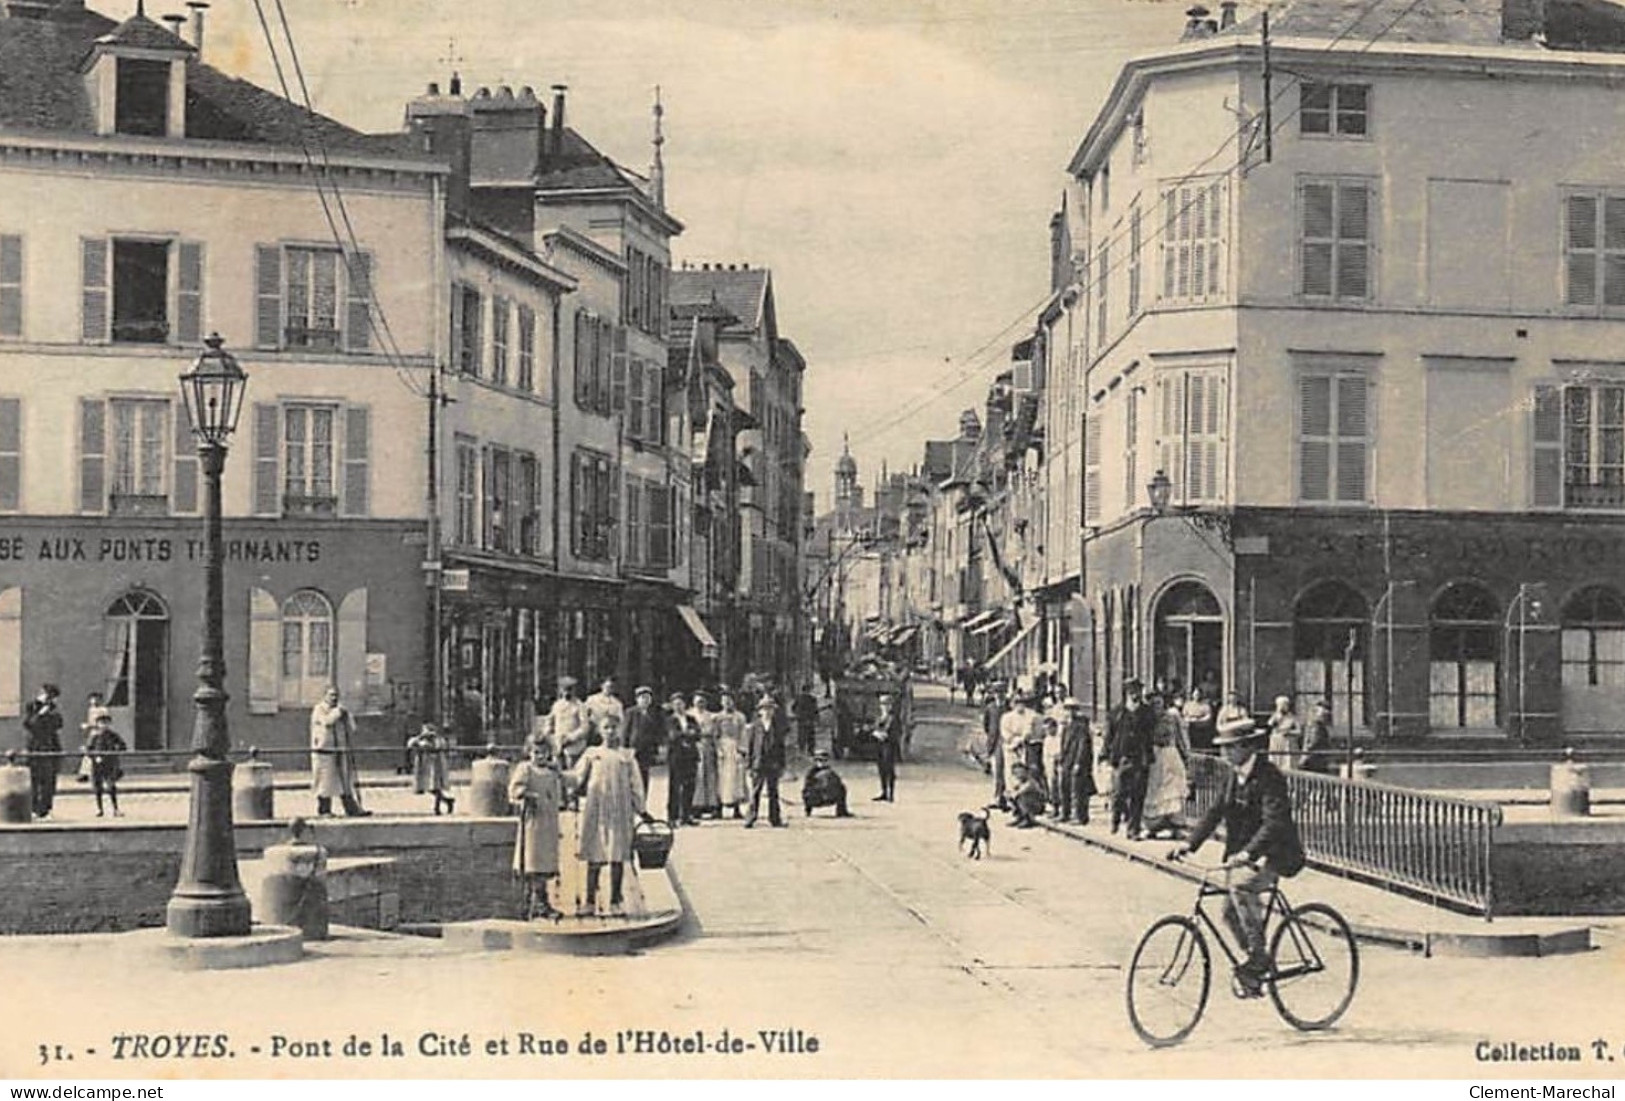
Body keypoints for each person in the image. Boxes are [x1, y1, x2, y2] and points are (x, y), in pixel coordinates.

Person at [1171, 721, 1306, 997]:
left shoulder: (1270, 777)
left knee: (1242, 886)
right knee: (1227, 912)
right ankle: (1257, 963)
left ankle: (1257, 958)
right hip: (1245, 854)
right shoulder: (1233, 774)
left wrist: (1248, 853)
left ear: (1247, 747)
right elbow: (1215, 812)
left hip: (1276, 853)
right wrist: (1188, 844)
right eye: (1222, 748)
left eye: (1229, 748)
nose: (1224, 754)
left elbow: (1274, 823)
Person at [570, 717, 653, 917]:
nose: (610, 732)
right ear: (600, 731)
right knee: (595, 851)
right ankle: (589, 901)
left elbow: (636, 784)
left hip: (619, 807)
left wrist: (641, 808)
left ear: (619, 730)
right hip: (597, 807)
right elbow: (576, 777)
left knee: (617, 853)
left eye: (614, 728)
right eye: (606, 727)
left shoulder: (626, 756)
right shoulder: (592, 754)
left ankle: (616, 900)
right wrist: (558, 778)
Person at [508, 737, 563, 920]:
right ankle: (535, 901)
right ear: (529, 752)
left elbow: (562, 789)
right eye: (536, 752)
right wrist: (526, 794)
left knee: (545, 859)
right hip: (533, 819)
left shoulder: (551, 771)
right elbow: (515, 789)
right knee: (532, 859)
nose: (539, 756)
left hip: (548, 820)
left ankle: (540, 899)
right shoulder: (526, 769)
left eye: (543, 752)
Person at [1107, 678, 1155, 839]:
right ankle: (1115, 817)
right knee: (1119, 792)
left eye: (1138, 691)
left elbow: (1151, 733)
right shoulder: (1117, 712)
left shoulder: (1147, 712)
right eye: (1131, 691)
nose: (1135, 694)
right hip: (1122, 757)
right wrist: (1106, 755)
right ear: (1126, 692)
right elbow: (1110, 735)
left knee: (1138, 794)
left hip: (1140, 759)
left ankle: (1133, 829)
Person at [310, 685, 369, 817]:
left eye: (336, 695)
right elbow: (327, 722)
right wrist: (337, 713)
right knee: (325, 782)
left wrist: (347, 715)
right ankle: (324, 810)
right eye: (331, 695)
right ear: (324, 696)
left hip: (341, 749)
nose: (334, 698)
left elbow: (352, 728)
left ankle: (352, 809)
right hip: (324, 751)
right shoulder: (319, 710)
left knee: (345, 781)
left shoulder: (342, 710)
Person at [1142, 695, 1192, 840]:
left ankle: (1176, 827)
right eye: (1154, 703)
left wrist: (1185, 754)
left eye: (1159, 703)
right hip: (1154, 755)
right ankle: (1153, 827)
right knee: (1154, 791)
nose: (1157, 706)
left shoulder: (1172, 717)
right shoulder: (1147, 719)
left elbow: (1180, 736)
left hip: (1170, 754)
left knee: (1174, 790)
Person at [744, 696, 788, 828]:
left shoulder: (778, 726)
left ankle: (775, 818)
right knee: (756, 791)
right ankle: (750, 818)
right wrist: (749, 765)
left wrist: (782, 765)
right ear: (760, 711)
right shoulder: (755, 726)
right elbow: (750, 746)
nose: (768, 711)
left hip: (773, 763)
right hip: (758, 762)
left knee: (773, 792)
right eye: (765, 709)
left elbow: (781, 747)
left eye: (770, 709)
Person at [23, 684, 63, 819]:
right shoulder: (32, 707)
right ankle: (34, 809)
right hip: (35, 748)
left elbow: (58, 724)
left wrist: (49, 713)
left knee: (49, 781)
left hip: (50, 747)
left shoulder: (53, 711)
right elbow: (30, 725)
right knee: (34, 780)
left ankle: (45, 809)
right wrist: (41, 714)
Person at [998, 692, 1042, 811]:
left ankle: (1025, 804)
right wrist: (1014, 741)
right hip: (1010, 748)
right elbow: (1005, 732)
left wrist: (1022, 739)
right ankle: (1012, 803)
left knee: (1024, 775)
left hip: (1024, 748)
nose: (1019, 705)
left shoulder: (1031, 715)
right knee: (1010, 775)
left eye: (1022, 703)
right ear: (1012, 704)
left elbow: (1029, 730)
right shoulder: (1006, 717)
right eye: (1016, 703)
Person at [1056, 697, 1096, 825]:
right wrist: (1061, 759)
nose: (1069, 712)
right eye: (1067, 709)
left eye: (1072, 709)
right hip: (1067, 759)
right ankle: (1065, 813)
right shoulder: (1066, 725)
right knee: (1065, 786)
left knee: (1079, 789)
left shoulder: (1081, 725)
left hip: (1078, 761)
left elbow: (1082, 745)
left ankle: (1081, 816)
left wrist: (1078, 762)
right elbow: (1063, 744)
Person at [663, 692, 700, 827]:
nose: (679, 706)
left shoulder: (691, 719)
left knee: (689, 786)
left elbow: (698, 734)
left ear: (685, 705)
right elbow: (673, 735)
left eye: (681, 703)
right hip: (676, 756)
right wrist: (686, 735)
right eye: (676, 704)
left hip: (691, 756)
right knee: (675, 787)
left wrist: (687, 735)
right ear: (672, 706)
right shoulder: (669, 720)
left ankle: (686, 815)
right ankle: (672, 817)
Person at [714, 690, 749, 819]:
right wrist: (718, 749)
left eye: (729, 700)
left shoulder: (740, 717)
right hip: (723, 748)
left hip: (735, 747)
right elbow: (715, 735)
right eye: (724, 701)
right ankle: (718, 807)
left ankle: (736, 807)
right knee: (722, 778)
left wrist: (742, 750)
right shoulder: (717, 718)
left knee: (736, 778)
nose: (727, 703)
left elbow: (743, 734)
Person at [407, 722, 455, 815]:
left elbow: (440, 746)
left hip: (436, 765)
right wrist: (420, 737)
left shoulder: (438, 740)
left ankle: (437, 808)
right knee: (429, 788)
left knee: (435, 787)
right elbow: (410, 744)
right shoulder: (420, 740)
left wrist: (432, 739)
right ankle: (447, 801)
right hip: (425, 767)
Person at [83, 712, 126, 817]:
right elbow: (88, 750)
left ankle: (115, 809)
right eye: (101, 723)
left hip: (110, 764)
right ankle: (99, 809)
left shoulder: (113, 735)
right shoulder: (94, 737)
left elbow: (123, 746)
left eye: (106, 723)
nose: (104, 725)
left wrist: (116, 751)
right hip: (97, 765)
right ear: (98, 724)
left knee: (111, 786)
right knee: (98, 788)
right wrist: (94, 757)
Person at [546, 677, 592, 772]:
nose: (567, 693)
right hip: (558, 745)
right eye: (564, 690)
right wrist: (550, 737)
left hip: (574, 746)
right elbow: (550, 722)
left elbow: (585, 727)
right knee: (558, 772)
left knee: (572, 772)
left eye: (570, 690)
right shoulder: (557, 705)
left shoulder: (580, 706)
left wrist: (570, 738)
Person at [625, 686, 664, 795]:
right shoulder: (631, 712)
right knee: (631, 776)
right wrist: (625, 749)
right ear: (637, 699)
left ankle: (643, 803)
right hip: (633, 749)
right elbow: (625, 732)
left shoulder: (655, 713)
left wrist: (658, 747)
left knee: (644, 776)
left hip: (647, 750)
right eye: (642, 697)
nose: (645, 700)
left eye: (647, 698)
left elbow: (659, 731)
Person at [690, 692, 721, 819]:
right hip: (695, 745)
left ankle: (712, 805)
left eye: (702, 701)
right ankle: (697, 805)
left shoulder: (712, 716)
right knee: (698, 775)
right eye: (697, 701)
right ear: (693, 702)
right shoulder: (689, 715)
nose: (700, 704)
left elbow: (715, 733)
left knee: (710, 775)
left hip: (708, 746)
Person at [872, 692, 904, 802]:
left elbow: (897, 732)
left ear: (890, 706)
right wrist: (876, 733)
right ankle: (883, 792)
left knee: (889, 770)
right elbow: (874, 728)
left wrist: (886, 735)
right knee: (881, 769)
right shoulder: (879, 717)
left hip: (889, 746)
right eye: (882, 704)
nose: (884, 707)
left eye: (886, 704)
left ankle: (891, 793)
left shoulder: (893, 718)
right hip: (879, 746)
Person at [801, 751, 852, 817]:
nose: (822, 762)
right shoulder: (811, 772)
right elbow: (807, 788)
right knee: (808, 792)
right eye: (819, 760)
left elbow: (837, 783)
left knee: (842, 788)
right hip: (815, 798)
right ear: (815, 761)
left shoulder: (830, 772)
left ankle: (841, 811)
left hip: (828, 797)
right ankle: (808, 811)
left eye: (824, 760)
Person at [1300, 699, 1337, 776]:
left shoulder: (1315, 725)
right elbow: (1314, 740)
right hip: (1316, 757)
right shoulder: (1316, 725)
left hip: (1317, 756)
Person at [584, 676, 625, 747]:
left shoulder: (617, 703)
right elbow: (584, 714)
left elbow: (621, 721)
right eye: (607, 687)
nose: (609, 689)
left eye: (611, 687)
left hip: (609, 734)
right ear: (602, 686)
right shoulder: (592, 700)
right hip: (594, 733)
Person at [1268, 695, 1302, 770]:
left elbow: (1299, 731)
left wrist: (1289, 732)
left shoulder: (1292, 718)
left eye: (1285, 705)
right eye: (1280, 705)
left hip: (1287, 744)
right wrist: (1278, 717)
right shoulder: (1275, 717)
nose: (1283, 707)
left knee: (1288, 764)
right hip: (1276, 744)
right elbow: (1270, 726)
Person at [1008, 762, 1046, 828]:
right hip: (1031, 803)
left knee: (1021, 797)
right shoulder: (1022, 781)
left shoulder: (1030, 782)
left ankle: (1028, 819)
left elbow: (1020, 792)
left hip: (1037, 805)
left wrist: (1013, 793)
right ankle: (1020, 817)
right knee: (1011, 796)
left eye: (1020, 772)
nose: (1018, 775)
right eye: (1016, 773)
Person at [1182, 685, 1216, 752]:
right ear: (1192, 695)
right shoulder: (1188, 705)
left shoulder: (1205, 705)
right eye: (1195, 694)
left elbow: (1208, 716)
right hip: (1190, 727)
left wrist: (1199, 720)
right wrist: (1190, 719)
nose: (1196, 696)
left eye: (1198, 694)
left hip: (1202, 728)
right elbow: (1184, 716)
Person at [792, 685, 820, 756]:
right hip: (809, 719)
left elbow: (793, 707)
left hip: (802, 720)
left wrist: (797, 714)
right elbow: (815, 709)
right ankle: (810, 750)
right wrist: (817, 719)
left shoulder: (799, 698)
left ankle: (802, 750)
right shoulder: (812, 698)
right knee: (810, 735)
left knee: (802, 735)